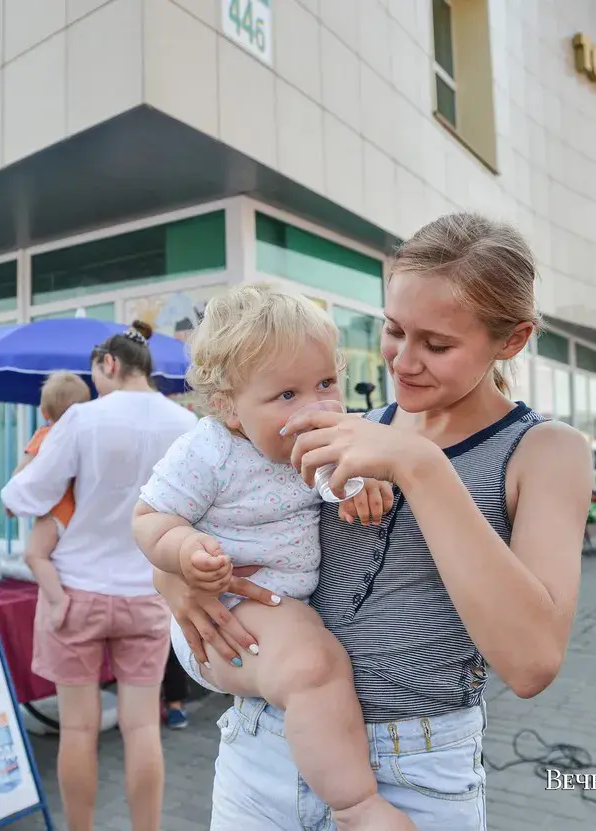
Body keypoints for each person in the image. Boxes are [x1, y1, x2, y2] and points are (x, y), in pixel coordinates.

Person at [154, 213, 592, 830]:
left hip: (416, 770)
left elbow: (532, 662)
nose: (403, 361)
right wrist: (175, 575)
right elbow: (211, 505)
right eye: (393, 330)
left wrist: (423, 469)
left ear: (512, 340)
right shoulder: (338, 423)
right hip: (265, 747)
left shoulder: (544, 451)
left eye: (437, 345)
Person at [133, 285, 407, 829]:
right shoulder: (208, 450)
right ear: (229, 407)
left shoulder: (329, 437)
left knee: (310, 654)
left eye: (326, 383)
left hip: (273, 610)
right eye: (287, 395)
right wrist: (185, 552)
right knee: (315, 664)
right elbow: (148, 519)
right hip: (223, 616)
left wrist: (367, 488)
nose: (317, 407)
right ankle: (354, 805)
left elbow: (345, 483)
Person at [1, 320, 197, 831]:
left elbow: (25, 496)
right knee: (142, 730)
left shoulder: (83, 420)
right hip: (146, 593)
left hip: (75, 591)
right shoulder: (185, 424)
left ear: (109, 364)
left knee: (79, 732)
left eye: (96, 374)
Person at [10, 371, 91, 627]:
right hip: (82, 513)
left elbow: (21, 476)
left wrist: (12, 500)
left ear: (45, 412)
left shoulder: (46, 436)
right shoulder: (88, 437)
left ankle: (57, 600)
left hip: (55, 512)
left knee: (34, 555)